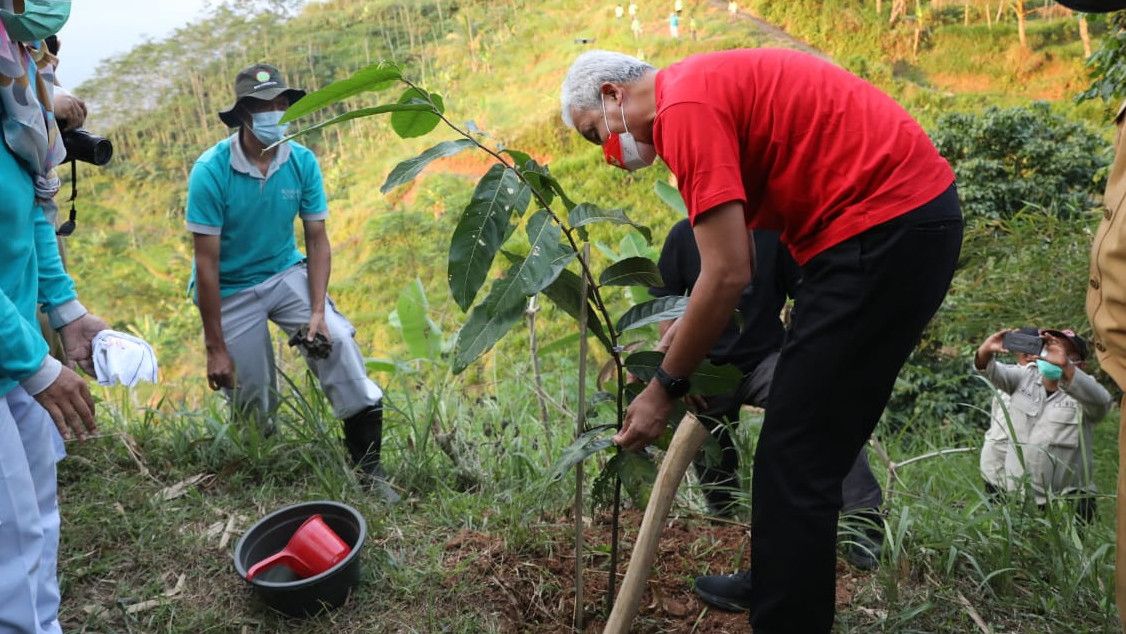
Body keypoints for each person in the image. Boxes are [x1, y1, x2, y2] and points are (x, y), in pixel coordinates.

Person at [560, 49, 962, 631]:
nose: (608, 154)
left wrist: (662, 388)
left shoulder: (683, 110)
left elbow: (725, 274)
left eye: (596, 134)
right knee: (797, 441)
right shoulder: (700, 91)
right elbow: (742, 249)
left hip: (882, 228)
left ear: (613, 96)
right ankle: (779, 582)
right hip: (891, 225)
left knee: (798, 451)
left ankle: (785, 616)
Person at [186, 64, 397, 502]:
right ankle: (268, 477)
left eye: (279, 103)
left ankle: (368, 468)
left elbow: (317, 240)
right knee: (252, 397)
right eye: (261, 106)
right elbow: (206, 264)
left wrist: (318, 312)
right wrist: (215, 347)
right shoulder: (210, 170)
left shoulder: (301, 161)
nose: (273, 113)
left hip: (285, 272)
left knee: (336, 341)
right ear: (243, 114)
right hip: (230, 287)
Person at [651, 221, 885, 612]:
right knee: (709, 442)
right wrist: (680, 369)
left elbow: (805, 293)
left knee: (820, 407)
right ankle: (722, 513)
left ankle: (864, 520)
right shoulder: (681, 235)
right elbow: (668, 309)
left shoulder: (771, 233)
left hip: (766, 359)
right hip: (708, 364)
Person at [0, 3, 112, 632]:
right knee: (9, 545)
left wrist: (66, 310)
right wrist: (34, 365)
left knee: (37, 522)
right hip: (12, 356)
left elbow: (34, 216)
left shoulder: (15, 100)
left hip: (13, 356)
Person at [1057, 0, 1126, 624]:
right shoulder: (1027, 375)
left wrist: (1072, 371)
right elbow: (992, 373)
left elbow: (1098, 407)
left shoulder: (1075, 384)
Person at [975, 328, 1111, 522]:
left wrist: (1066, 367)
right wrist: (985, 351)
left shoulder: (1084, 390)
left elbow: (1102, 404)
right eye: (1048, 350)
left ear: (1080, 364)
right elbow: (988, 369)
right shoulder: (1023, 378)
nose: (1053, 357)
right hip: (1021, 500)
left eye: (1066, 353)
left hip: (1068, 502)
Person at [979, 327, 1039, 496]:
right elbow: (985, 367)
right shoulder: (1010, 377)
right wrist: (986, 350)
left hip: (1019, 464)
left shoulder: (1042, 380)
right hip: (996, 459)